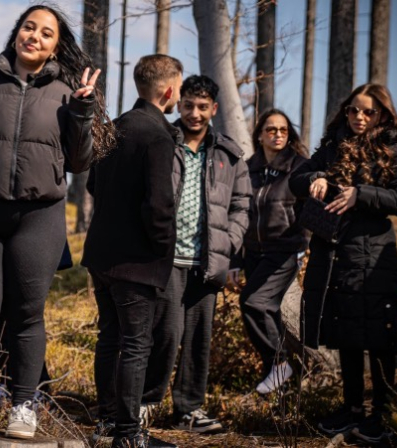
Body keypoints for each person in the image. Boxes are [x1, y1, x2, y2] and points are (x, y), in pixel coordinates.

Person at [0, 4, 114, 438]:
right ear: (17, 33)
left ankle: (23, 405)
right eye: (29, 27)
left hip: (39, 218)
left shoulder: (66, 92)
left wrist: (83, 110)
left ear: (55, 47)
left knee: (26, 314)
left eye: (46, 33)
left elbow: (79, 162)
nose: (34, 36)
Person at [290, 84, 397, 443]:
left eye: (368, 112)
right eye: (353, 110)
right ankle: (352, 409)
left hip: (374, 253)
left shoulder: (395, 147)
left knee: (379, 335)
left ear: (383, 115)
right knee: (345, 330)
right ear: (345, 111)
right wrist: (315, 178)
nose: (359, 117)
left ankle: (382, 414)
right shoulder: (333, 146)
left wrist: (360, 195)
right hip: (335, 252)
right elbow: (295, 180)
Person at [82, 54, 184, 448]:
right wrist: (162, 248)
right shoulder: (157, 135)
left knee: (110, 338)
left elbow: (92, 186)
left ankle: (108, 425)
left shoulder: (115, 126)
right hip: (138, 260)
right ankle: (127, 435)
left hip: (102, 254)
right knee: (137, 344)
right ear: (169, 90)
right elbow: (159, 205)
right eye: (178, 88)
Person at [142, 74, 251, 434]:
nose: (194, 113)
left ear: (214, 109)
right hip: (167, 258)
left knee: (198, 339)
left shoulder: (229, 154)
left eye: (203, 106)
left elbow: (242, 203)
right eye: (188, 105)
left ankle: (188, 410)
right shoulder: (163, 140)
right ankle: (146, 403)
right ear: (179, 103)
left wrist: (230, 241)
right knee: (166, 333)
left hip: (208, 261)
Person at [227, 109, 309, 394]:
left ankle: (281, 364)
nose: (277, 135)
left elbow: (309, 210)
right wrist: (234, 260)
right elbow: (238, 213)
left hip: (284, 250)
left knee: (254, 302)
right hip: (252, 251)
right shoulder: (248, 168)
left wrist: (303, 246)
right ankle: (280, 383)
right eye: (271, 130)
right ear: (260, 135)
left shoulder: (299, 167)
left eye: (283, 130)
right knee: (267, 310)